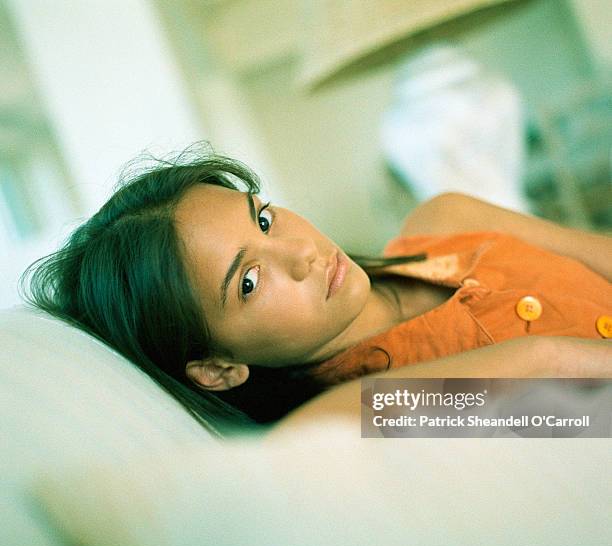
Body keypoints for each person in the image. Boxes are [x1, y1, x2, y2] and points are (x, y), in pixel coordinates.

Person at [20, 145, 612, 436]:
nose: (302, 255)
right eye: (248, 281)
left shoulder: (445, 218)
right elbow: (551, 366)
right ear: (219, 368)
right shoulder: (348, 414)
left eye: (264, 219)